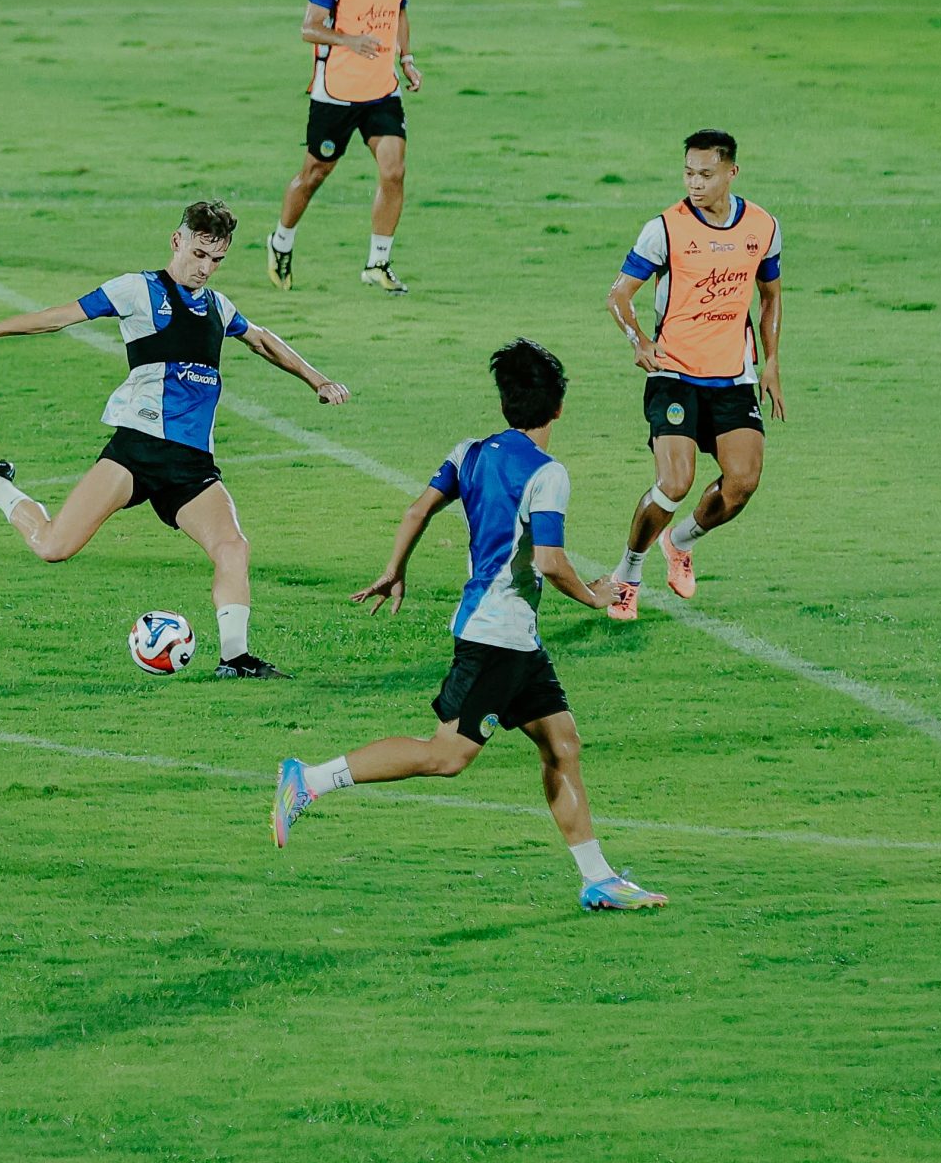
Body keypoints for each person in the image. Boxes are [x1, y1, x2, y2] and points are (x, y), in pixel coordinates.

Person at [272, 340, 667, 912]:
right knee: (447, 756)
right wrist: (596, 598)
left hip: (512, 637)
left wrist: (394, 569)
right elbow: (553, 562)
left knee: (561, 745)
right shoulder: (548, 474)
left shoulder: (471, 452)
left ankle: (598, 878)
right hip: (495, 637)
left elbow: (417, 510)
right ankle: (309, 779)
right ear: (558, 407)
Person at [0, 199, 349, 680]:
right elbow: (57, 317)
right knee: (53, 546)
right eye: (199, 254)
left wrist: (316, 379)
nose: (205, 268)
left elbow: (261, 339)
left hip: (192, 465)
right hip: (139, 450)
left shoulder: (218, 306)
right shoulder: (137, 289)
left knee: (233, 548)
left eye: (216, 260)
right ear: (178, 241)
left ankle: (235, 659)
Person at [601, 129, 785, 621]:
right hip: (675, 374)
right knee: (675, 482)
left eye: (705, 174)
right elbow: (619, 295)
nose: (695, 183)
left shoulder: (762, 227)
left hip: (733, 376)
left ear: (731, 172)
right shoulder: (664, 228)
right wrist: (639, 340)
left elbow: (770, 295)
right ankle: (628, 574)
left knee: (743, 483)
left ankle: (679, 542)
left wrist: (770, 363)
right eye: (688, 173)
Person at [265, 0, 424, 296]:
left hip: (382, 90)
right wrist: (348, 40)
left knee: (394, 170)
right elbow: (308, 28)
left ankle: (378, 262)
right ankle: (281, 241)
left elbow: (400, 13)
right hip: (334, 93)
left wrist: (406, 59)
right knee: (314, 174)